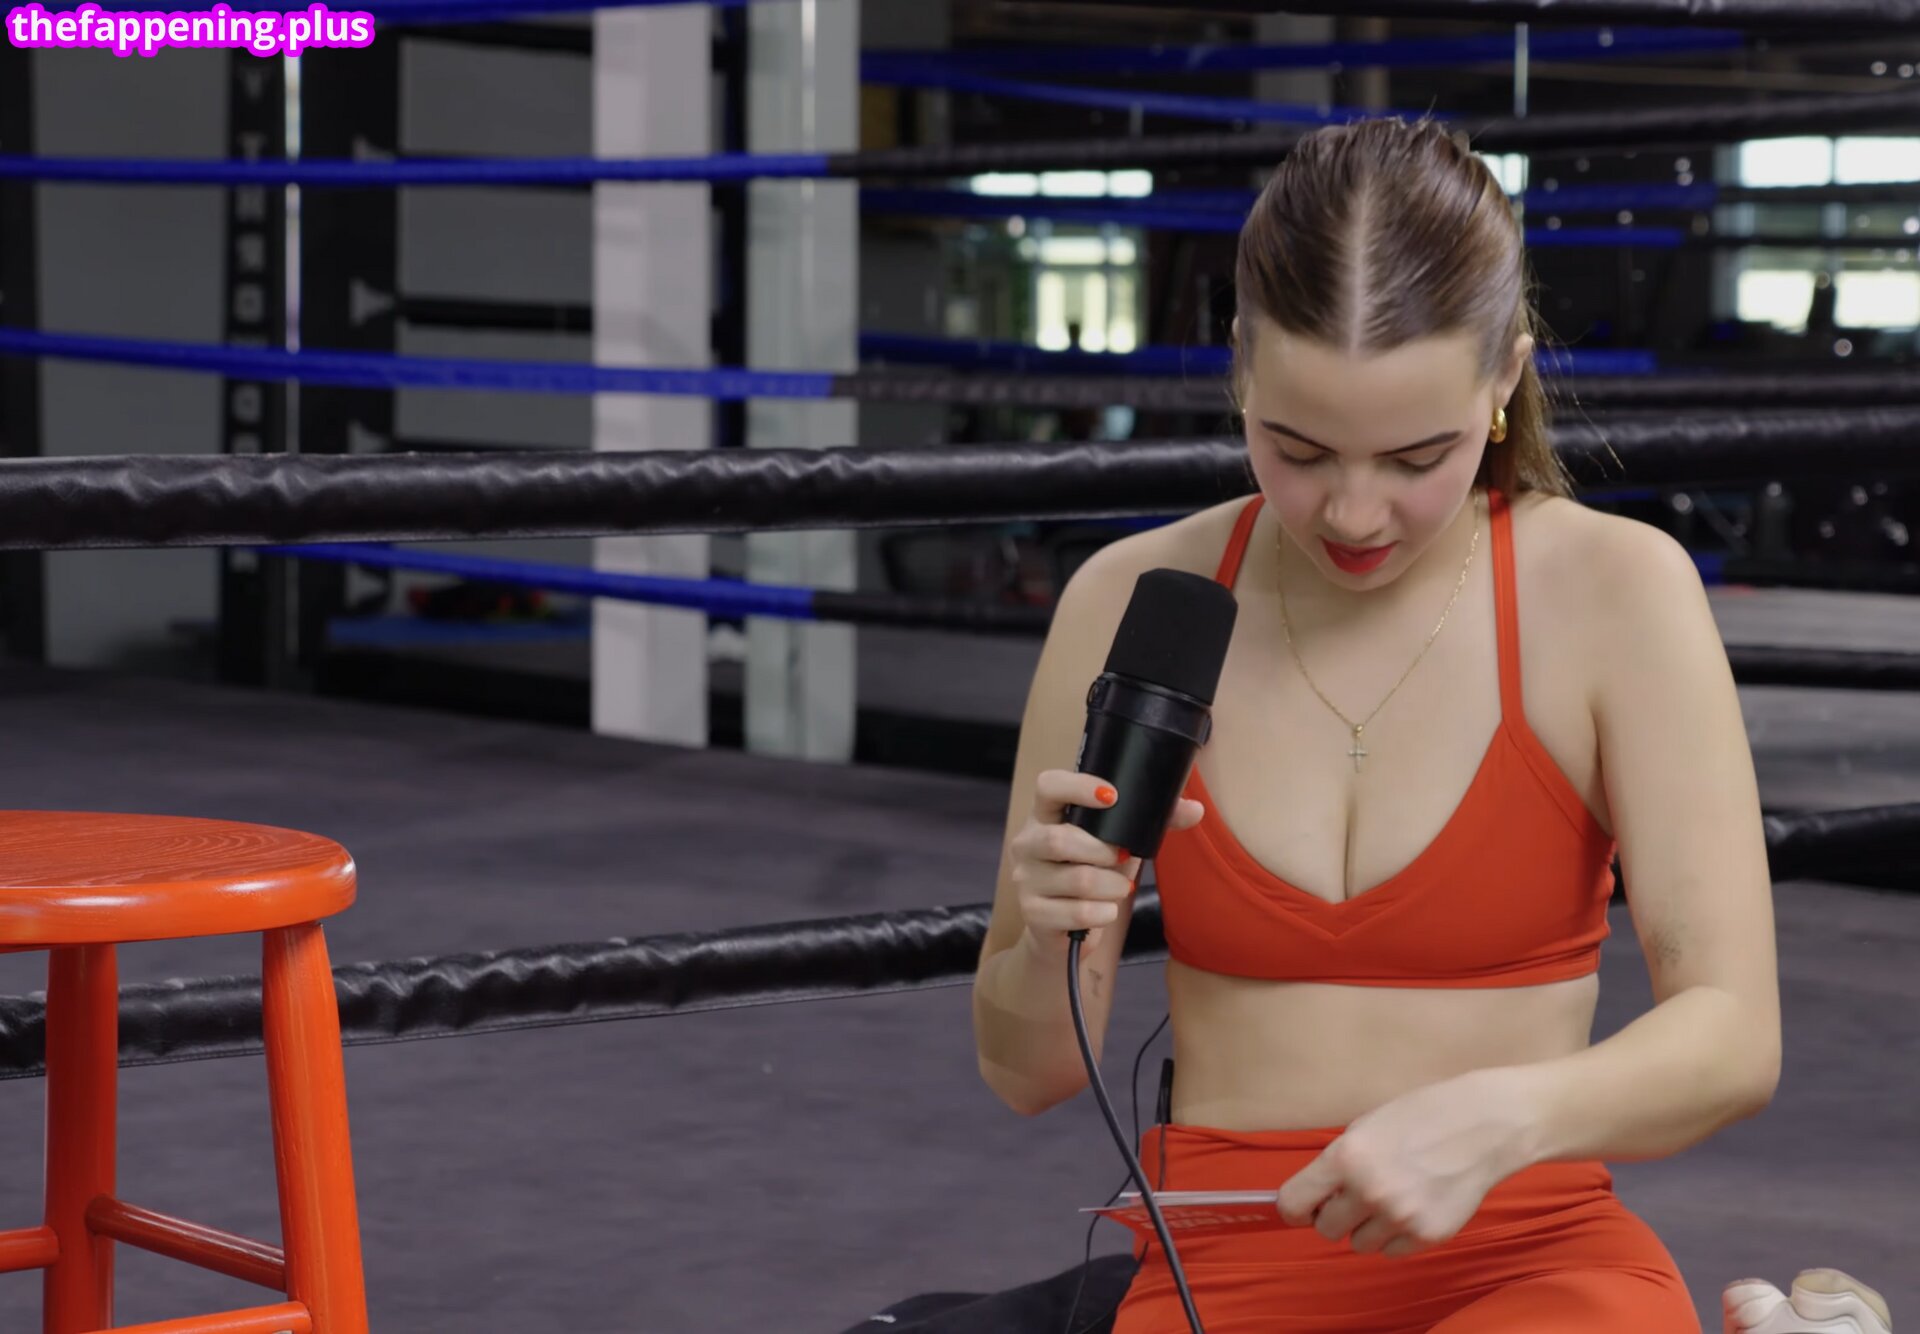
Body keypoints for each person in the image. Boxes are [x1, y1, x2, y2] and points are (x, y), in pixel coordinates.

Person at [971, 117, 1887, 1334]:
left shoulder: (1613, 591)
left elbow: (1733, 1035)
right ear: (1239, 368)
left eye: (1417, 456)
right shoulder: (1131, 603)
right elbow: (1029, 1072)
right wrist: (1049, 936)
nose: (1354, 512)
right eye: (1298, 449)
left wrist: (1502, 1115)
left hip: (1528, 1254)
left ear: (1504, 381)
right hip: (1226, 1262)